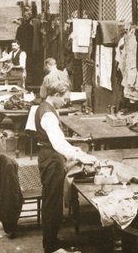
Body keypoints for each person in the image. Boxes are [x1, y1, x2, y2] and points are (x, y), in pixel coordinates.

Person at [34, 78, 98, 253]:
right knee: (52, 203)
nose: (66, 101)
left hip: (50, 156)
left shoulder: (45, 107)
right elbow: (58, 144)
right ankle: (50, 245)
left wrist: (74, 149)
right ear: (55, 95)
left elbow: (60, 141)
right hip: (52, 160)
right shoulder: (48, 114)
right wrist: (82, 157)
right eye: (64, 98)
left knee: (53, 202)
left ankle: (52, 238)